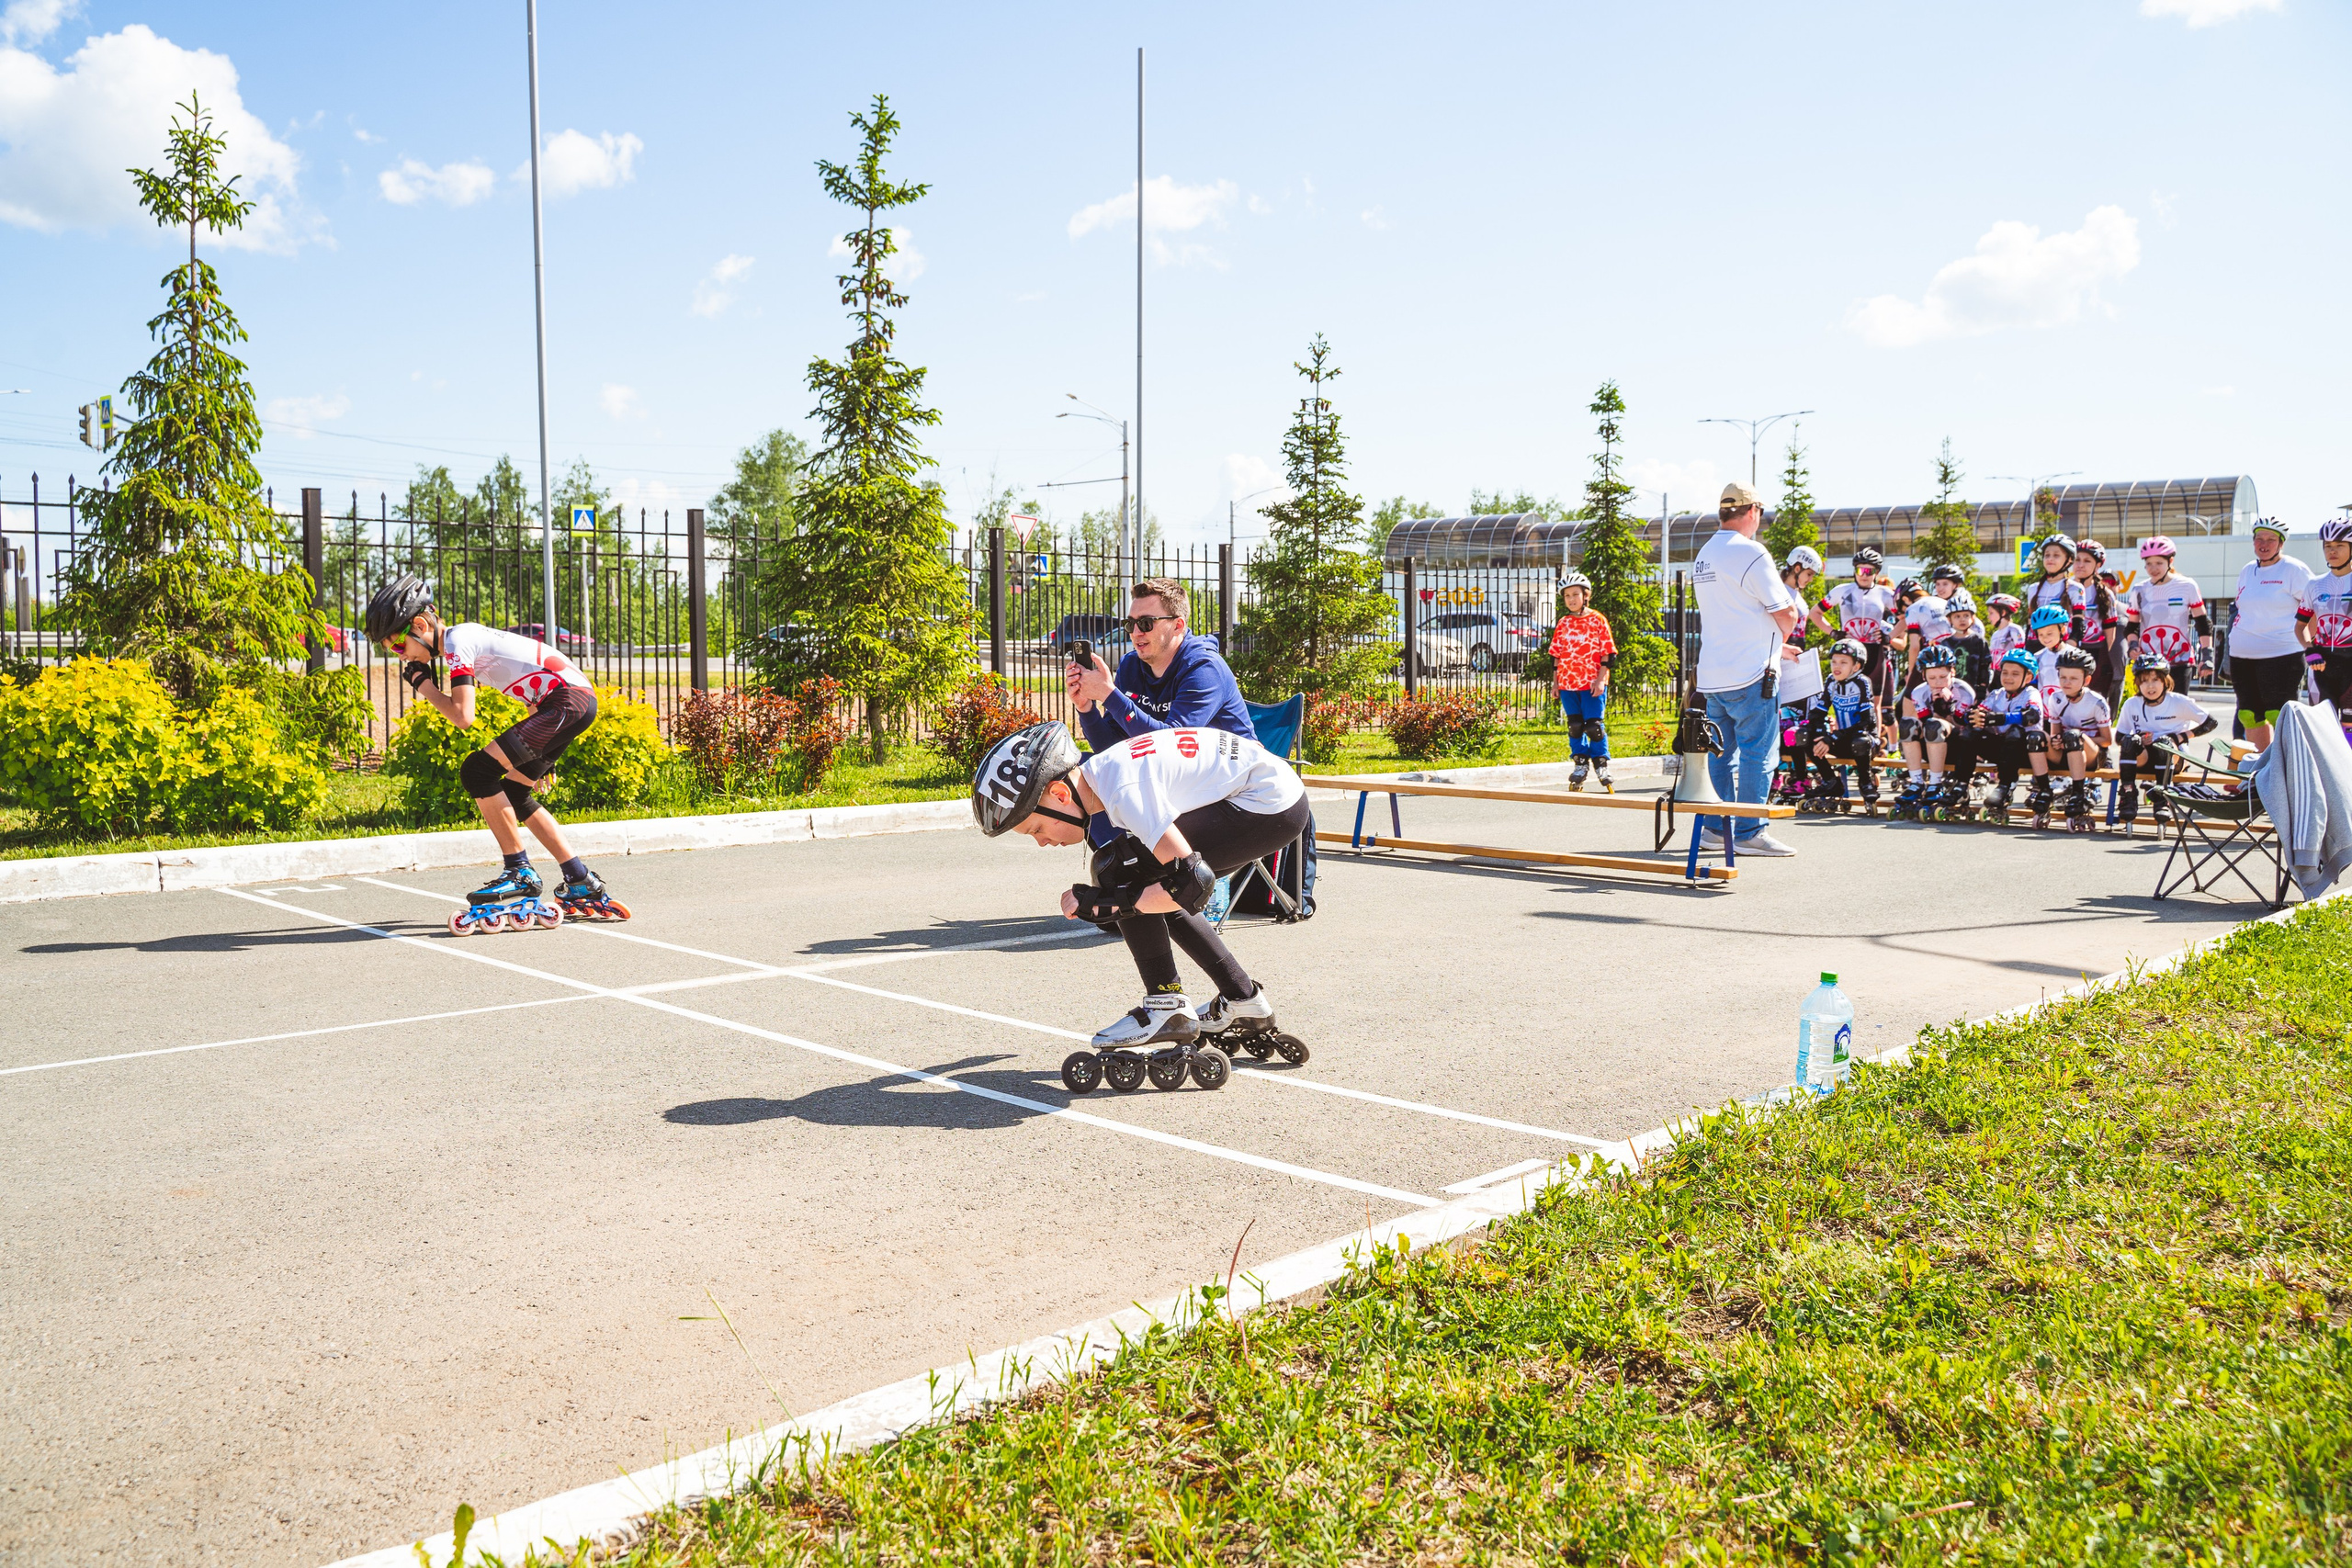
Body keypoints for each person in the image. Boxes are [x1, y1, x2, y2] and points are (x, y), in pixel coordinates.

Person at [972, 720, 1309, 1077]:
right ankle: (1243, 999)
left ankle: (1166, 1006)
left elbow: (1193, 885)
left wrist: (1105, 903)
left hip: (1268, 805)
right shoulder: (1107, 773)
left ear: (1060, 794)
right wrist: (1116, 899)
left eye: (1037, 829)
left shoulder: (1123, 790)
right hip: (1274, 797)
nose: (1041, 841)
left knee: (1120, 872)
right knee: (1136, 873)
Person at [365, 575, 625, 927]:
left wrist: (423, 685)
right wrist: (542, 752)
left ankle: (519, 871)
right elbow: (538, 683)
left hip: (565, 704)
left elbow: (463, 716)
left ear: (420, 625)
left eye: (397, 646)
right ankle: (581, 881)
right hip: (568, 703)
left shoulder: (458, 641)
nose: (400, 656)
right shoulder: (465, 638)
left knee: (477, 772)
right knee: (517, 792)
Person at [1691, 483, 1803, 857]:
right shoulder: (1752, 552)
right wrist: (1782, 634)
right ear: (1752, 510)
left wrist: (1772, 641)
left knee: (1720, 752)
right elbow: (1784, 611)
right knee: (1759, 752)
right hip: (1751, 673)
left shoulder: (1705, 554)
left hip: (1713, 674)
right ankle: (1750, 830)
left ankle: (1714, 828)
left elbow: (1733, 614)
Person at [2229, 519, 2314, 750]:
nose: (2263, 544)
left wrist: (2311, 644)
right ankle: (2262, 770)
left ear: (2281, 544)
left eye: (2270, 539)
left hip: (2282, 654)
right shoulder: (2248, 570)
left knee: (2279, 714)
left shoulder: (2293, 569)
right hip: (2242, 656)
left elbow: (2314, 608)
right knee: (2248, 714)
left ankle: (2288, 769)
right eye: (2259, 538)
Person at [2113, 652, 2220, 835]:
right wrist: (2139, 738)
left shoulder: (2178, 701)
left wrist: (2179, 738)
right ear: (2138, 683)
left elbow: (2210, 723)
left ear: (2165, 681)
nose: (2150, 686)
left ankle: (2163, 799)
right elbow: (2119, 738)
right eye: (2145, 681)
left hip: (2174, 758)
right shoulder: (2132, 704)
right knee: (2130, 742)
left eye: (2155, 680)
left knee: (2164, 744)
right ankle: (2128, 795)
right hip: (2145, 759)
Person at [1814, 547, 1899, 732]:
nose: (1864, 575)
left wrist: (1888, 637)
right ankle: (1846, 739)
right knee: (1844, 699)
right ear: (1855, 570)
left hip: (1875, 651)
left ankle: (1874, 742)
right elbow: (1815, 613)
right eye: (1860, 570)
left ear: (1877, 573)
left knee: (1874, 703)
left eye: (1869, 571)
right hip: (1849, 651)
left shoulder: (1885, 593)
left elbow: (1907, 617)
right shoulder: (1842, 590)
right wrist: (1833, 633)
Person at [1546, 570, 1618, 793]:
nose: (1571, 600)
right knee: (1575, 726)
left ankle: (1601, 764)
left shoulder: (1598, 620)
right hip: (1568, 682)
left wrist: (1599, 679)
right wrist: (1555, 682)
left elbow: (1608, 654)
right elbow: (1556, 656)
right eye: (1567, 596)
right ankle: (1580, 763)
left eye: (1575, 594)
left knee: (1594, 726)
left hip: (1592, 683)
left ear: (1586, 595)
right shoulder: (1564, 623)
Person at [1892, 644, 1976, 822]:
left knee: (1935, 725)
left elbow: (1963, 727)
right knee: (1908, 723)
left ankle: (1936, 783)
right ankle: (1916, 782)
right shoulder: (1919, 692)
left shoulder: (1964, 691)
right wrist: (1937, 711)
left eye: (1943, 677)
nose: (1938, 682)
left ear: (1953, 672)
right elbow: (1923, 724)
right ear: (1924, 676)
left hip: (1957, 745)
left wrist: (1949, 706)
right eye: (1932, 677)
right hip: (1932, 742)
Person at [1968, 649, 2052, 827]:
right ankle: (1960, 783)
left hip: (2026, 751)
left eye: (2015, 674)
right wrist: (1973, 717)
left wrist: (1999, 718)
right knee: (1972, 733)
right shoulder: (1997, 694)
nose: (2008, 677)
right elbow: (1979, 712)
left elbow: (2032, 716)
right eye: (2005, 673)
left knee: (2015, 730)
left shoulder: (2031, 693)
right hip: (2003, 750)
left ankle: (2006, 787)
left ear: (2028, 678)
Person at [1802, 637, 1882, 814]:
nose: (1836, 666)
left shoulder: (1862, 682)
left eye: (1843, 662)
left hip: (1866, 742)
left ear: (1856, 666)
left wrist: (1832, 737)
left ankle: (1865, 782)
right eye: (1834, 661)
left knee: (1860, 740)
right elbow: (1818, 713)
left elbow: (1867, 721)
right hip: (1842, 741)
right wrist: (1822, 734)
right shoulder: (1831, 681)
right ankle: (1831, 782)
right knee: (1804, 735)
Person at [2121, 536, 2211, 693]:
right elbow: (2132, 627)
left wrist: (2207, 654)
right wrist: (2133, 646)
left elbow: (2203, 623)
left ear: (2170, 561)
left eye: (2159, 563)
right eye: (2148, 564)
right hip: (2149, 662)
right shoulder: (2139, 590)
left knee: (2177, 710)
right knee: (2150, 711)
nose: (2153, 568)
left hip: (2180, 659)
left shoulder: (2187, 586)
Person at [2042, 646, 2114, 832]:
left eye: (2073, 678)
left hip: (2092, 754)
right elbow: (2055, 733)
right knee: (2037, 738)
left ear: (2086, 680)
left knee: (2074, 736)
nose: (2066, 682)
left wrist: (2080, 738)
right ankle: (2043, 791)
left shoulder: (2096, 702)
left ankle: (2078, 793)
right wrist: (2057, 740)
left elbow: (2107, 740)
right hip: (2068, 749)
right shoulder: (2056, 698)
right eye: (2063, 677)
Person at [2297, 518, 2352, 719]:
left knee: (2350, 729)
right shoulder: (2315, 584)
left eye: (2339, 545)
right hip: (2321, 665)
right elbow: (2300, 625)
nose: (2332, 551)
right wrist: (2309, 649)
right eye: (2328, 546)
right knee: (2321, 727)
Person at [2068, 540, 2127, 705]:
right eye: (2077, 560)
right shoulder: (2065, 589)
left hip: (2095, 652)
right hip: (2069, 650)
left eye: (2087, 561)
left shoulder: (2105, 593)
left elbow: (2110, 634)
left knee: (2091, 699)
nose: (2080, 565)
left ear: (2098, 565)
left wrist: (2106, 663)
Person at [1945, 600, 1992, 690]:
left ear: (1973, 618)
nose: (1962, 619)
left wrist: (1982, 688)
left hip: (1974, 690)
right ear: (1949, 619)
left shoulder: (1979, 641)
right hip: (1952, 691)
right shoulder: (1946, 643)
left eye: (1966, 616)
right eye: (1957, 616)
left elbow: (1985, 667)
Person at [2027, 604, 2074, 693]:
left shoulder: (2073, 654)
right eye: (2041, 634)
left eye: (2049, 633)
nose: (2045, 638)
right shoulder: (2037, 657)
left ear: (2062, 630)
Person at [1984, 592, 2027, 668]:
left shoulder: (2015, 630)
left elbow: (2022, 654)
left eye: (1991, 613)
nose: (1988, 617)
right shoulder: (1995, 634)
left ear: (2003, 613)